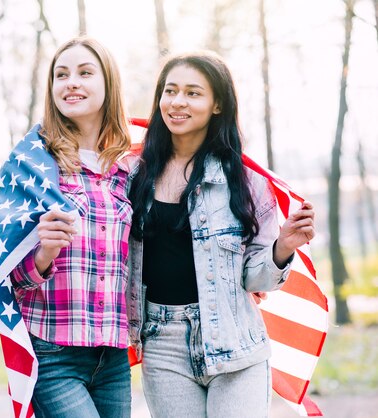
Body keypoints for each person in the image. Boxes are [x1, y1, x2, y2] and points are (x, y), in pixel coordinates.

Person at [127, 51, 315, 418]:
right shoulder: (134, 174)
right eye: (170, 91)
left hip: (234, 341)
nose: (177, 102)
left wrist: (283, 246)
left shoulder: (244, 180)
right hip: (162, 345)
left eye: (193, 93)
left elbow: (255, 277)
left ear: (217, 104)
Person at [7, 37, 133, 418]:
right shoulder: (32, 165)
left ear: (108, 83)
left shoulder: (128, 170)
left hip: (112, 357)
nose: (71, 82)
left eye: (84, 72)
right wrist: (43, 253)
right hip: (53, 351)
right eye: (61, 75)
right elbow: (5, 276)